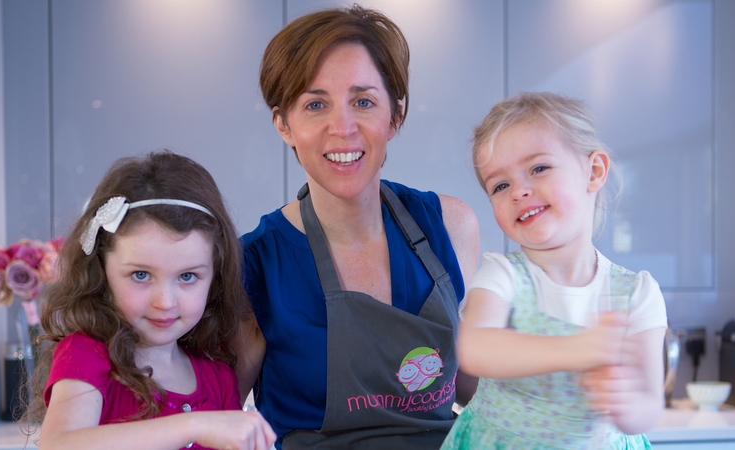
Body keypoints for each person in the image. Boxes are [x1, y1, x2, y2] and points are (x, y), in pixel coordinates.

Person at [240, 5, 480, 449]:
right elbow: (212, 414)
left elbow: (467, 380)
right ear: (283, 125)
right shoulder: (254, 264)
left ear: (395, 116)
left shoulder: (451, 226)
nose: (343, 128)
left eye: (363, 101)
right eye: (315, 104)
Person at [441, 92, 668, 449]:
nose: (519, 191)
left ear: (594, 172)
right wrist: (580, 348)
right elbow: (477, 349)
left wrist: (626, 403)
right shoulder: (502, 275)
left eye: (538, 168)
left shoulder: (636, 292)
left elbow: (648, 407)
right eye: (500, 185)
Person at [24, 151, 276, 450]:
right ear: (101, 270)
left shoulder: (217, 374)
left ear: (215, 278)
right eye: (141, 275)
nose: (165, 301)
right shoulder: (86, 354)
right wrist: (192, 425)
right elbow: (59, 445)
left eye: (187, 277)